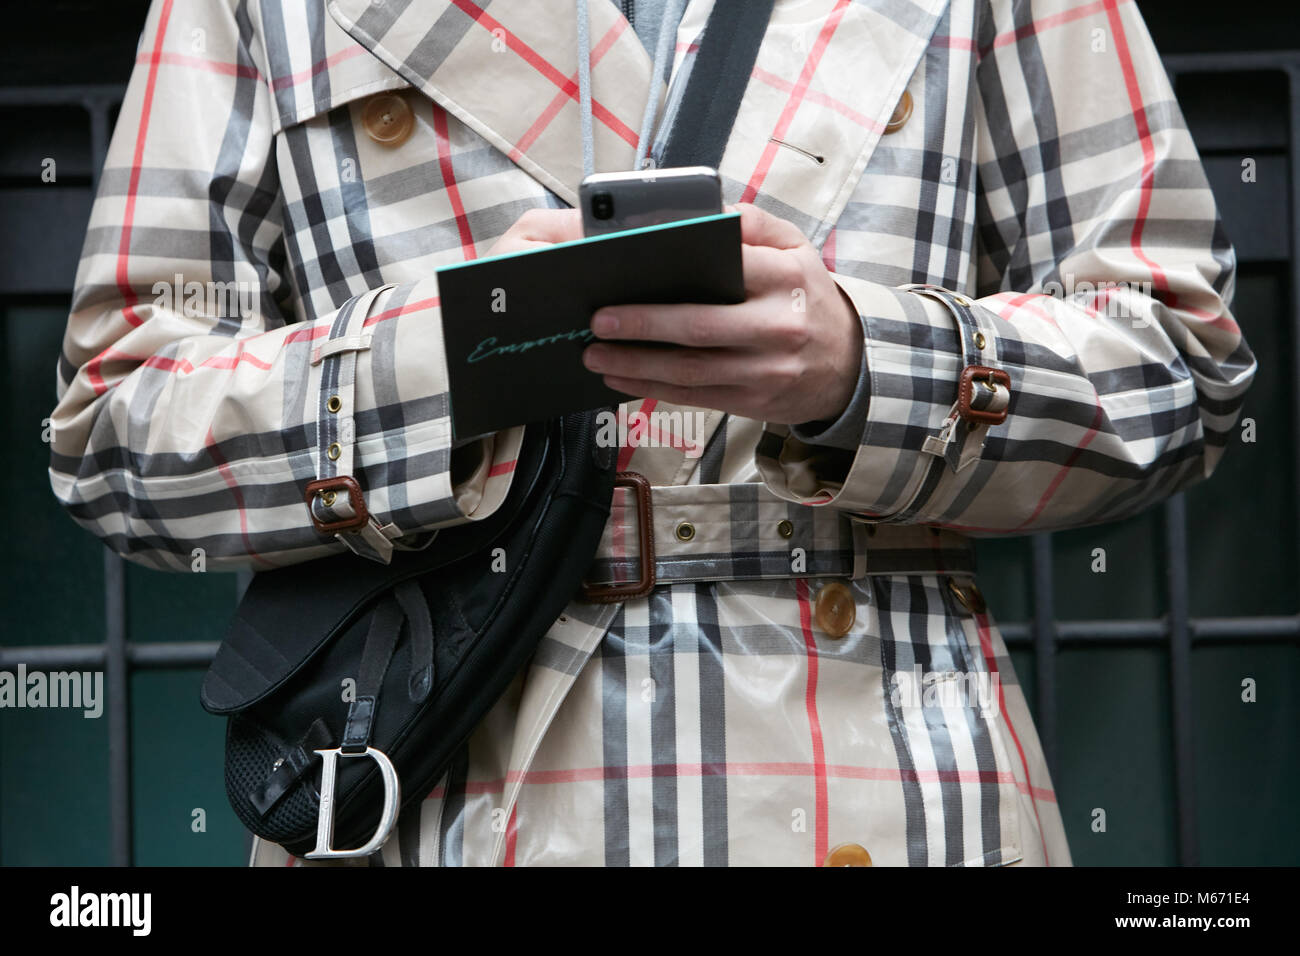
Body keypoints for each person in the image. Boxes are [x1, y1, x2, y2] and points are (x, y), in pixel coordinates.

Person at [49, 0, 1254, 866]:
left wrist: (864, 363)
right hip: (435, 775)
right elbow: (113, 425)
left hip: (885, 785)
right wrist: (446, 356)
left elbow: (1180, 358)